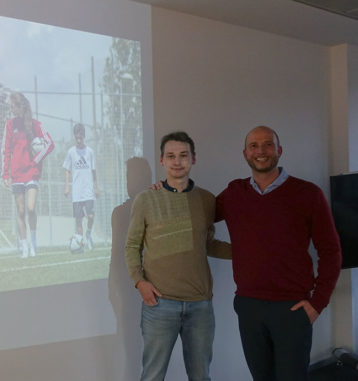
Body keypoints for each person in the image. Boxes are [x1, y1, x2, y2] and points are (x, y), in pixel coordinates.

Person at [216, 125, 342, 381]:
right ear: (245, 154)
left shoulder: (308, 194)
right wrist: (167, 191)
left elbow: (331, 251)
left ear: (279, 150)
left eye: (268, 144)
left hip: (292, 308)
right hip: (249, 307)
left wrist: (318, 303)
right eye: (254, 145)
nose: (261, 151)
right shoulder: (234, 193)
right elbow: (197, 213)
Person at [125, 131, 231, 381]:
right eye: (171, 156)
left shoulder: (206, 199)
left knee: (201, 376)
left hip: (200, 305)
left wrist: (246, 253)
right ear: (162, 161)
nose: (177, 161)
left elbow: (207, 244)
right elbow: (131, 246)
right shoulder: (146, 199)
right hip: (160, 304)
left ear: (193, 159)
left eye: (183, 155)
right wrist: (139, 282)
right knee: (152, 376)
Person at [109, 157, 151, 381]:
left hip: (158, 296)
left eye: (133, 177)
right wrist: (113, 289)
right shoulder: (120, 213)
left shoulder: (159, 207)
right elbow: (116, 255)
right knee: (133, 357)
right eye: (127, 177)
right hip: (129, 294)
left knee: (155, 358)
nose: (129, 182)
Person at [2, 92, 54, 258]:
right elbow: (6, 150)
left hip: (32, 174)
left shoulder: (35, 124)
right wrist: (5, 174)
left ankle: (33, 243)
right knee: (21, 211)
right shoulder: (10, 125)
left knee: (31, 208)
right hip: (16, 175)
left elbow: (50, 144)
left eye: (13, 106)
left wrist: (36, 159)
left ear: (21, 106)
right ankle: (24, 247)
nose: (11, 110)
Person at [63, 123, 98, 252]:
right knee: (79, 220)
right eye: (76, 138)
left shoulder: (90, 152)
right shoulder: (71, 152)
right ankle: (80, 243)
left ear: (84, 137)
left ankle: (88, 233)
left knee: (90, 216)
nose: (78, 140)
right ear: (74, 137)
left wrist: (96, 187)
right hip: (77, 193)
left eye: (81, 138)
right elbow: (67, 170)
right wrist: (67, 187)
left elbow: (94, 171)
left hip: (88, 191)